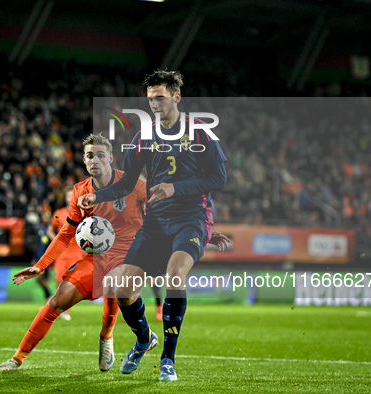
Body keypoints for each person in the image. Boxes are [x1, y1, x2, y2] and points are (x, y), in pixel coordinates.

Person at [78, 70, 227, 381]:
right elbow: (127, 183)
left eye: (160, 97)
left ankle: (168, 360)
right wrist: (97, 196)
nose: (155, 104)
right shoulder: (144, 137)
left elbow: (219, 178)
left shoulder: (200, 133)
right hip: (157, 221)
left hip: (192, 218)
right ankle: (144, 339)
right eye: (150, 99)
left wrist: (177, 188)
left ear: (176, 96)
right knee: (121, 287)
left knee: (175, 275)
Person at [0, 133, 148, 372]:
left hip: (130, 256)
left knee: (117, 287)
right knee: (57, 301)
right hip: (96, 258)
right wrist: (41, 265)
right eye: (89, 156)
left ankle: (107, 337)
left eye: (99, 155)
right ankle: (17, 358)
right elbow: (66, 233)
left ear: (111, 158)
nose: (94, 160)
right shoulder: (80, 191)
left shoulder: (134, 184)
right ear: (84, 161)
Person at [49, 186, 85, 320]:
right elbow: (50, 230)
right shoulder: (58, 213)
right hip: (62, 253)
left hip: (76, 252)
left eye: (72, 195)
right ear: (65, 197)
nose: (70, 198)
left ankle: (66, 311)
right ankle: (57, 305)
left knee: (71, 282)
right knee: (58, 280)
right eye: (68, 195)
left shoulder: (82, 214)